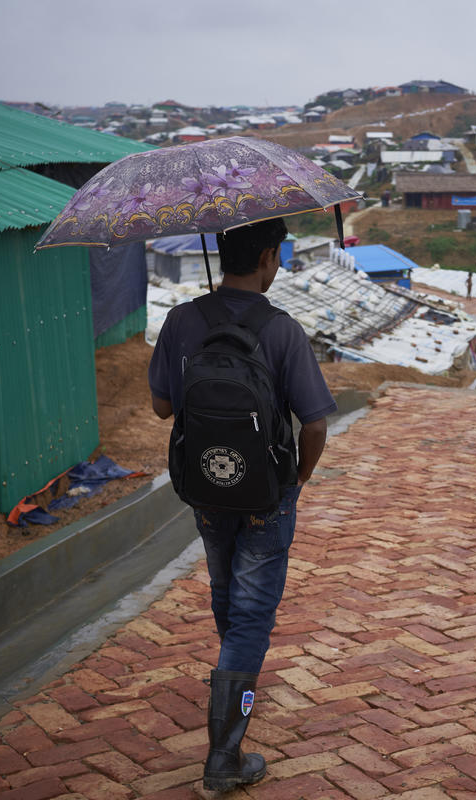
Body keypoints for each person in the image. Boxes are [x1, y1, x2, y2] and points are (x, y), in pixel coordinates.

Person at [148, 216, 336, 791]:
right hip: (266, 495)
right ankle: (224, 755)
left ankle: (233, 687)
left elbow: (161, 408)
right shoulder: (281, 329)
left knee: (228, 594)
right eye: (277, 256)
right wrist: (297, 480)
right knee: (252, 612)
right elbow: (314, 422)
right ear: (268, 258)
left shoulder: (182, 320)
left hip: (205, 488)